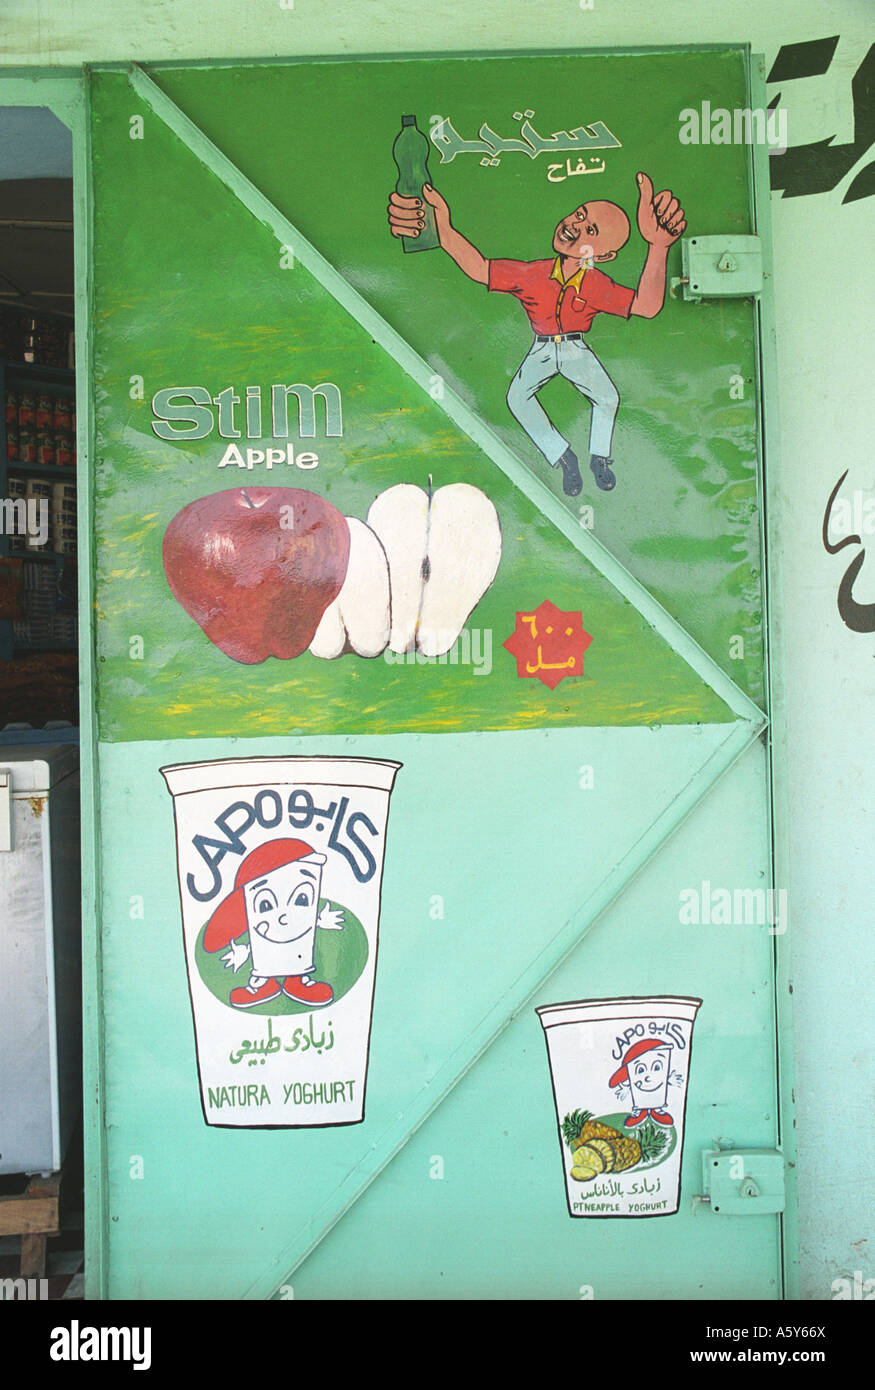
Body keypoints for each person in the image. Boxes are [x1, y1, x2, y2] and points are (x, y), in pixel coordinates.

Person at [387, 173, 685, 496]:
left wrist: (658, 246)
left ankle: (599, 459)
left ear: (602, 256)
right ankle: (563, 457)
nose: (575, 225)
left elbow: (646, 305)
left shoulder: (597, 285)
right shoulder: (534, 274)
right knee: (517, 397)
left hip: (575, 350)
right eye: (580, 215)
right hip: (542, 349)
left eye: (590, 231)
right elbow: (479, 267)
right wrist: (443, 227)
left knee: (608, 397)